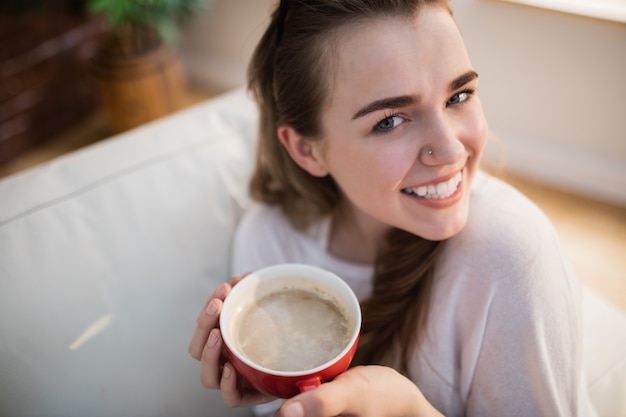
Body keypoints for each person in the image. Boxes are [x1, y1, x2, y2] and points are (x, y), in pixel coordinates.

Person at [189, 0, 598, 415]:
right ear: (307, 150)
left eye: (459, 95)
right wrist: (286, 386)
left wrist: (411, 411)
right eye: (390, 120)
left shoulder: (511, 257)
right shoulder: (270, 243)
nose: (451, 148)